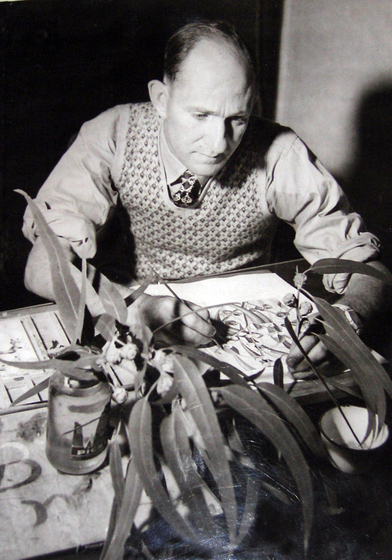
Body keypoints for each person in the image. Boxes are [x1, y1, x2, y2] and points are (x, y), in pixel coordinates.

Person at [22, 21, 391, 373]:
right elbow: (43, 263)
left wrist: (345, 325)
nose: (218, 144)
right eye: (200, 115)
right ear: (161, 99)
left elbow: (370, 270)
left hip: (242, 335)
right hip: (130, 320)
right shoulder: (115, 133)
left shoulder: (279, 153)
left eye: (238, 119)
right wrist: (128, 306)